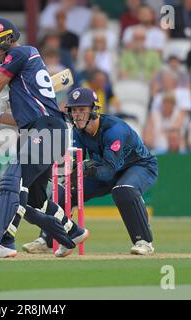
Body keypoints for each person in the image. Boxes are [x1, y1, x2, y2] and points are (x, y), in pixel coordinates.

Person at [0, 18, 89, 258]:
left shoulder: (21, 53)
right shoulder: (24, 74)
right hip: (42, 129)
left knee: (12, 179)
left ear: (7, 39)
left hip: (46, 130)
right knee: (35, 200)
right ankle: (71, 231)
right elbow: (23, 118)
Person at [23, 87, 157, 256]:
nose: (77, 114)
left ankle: (144, 241)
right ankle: (48, 240)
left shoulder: (115, 131)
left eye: (82, 110)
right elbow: (74, 160)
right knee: (63, 191)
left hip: (139, 166)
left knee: (123, 189)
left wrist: (85, 167)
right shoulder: (79, 131)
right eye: (73, 110)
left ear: (94, 110)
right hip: (103, 168)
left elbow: (108, 171)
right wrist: (62, 169)